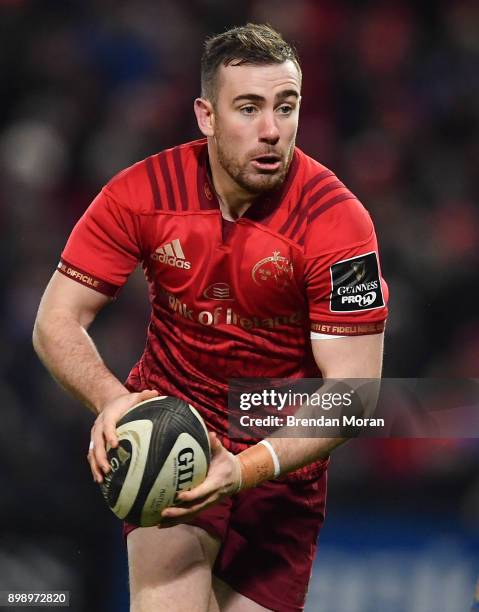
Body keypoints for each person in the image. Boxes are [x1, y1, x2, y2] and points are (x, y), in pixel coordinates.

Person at [33, 23, 388, 612]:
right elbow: (56, 320)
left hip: (281, 466)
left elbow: (355, 392)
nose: (271, 130)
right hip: (173, 438)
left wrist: (246, 468)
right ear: (206, 115)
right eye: (248, 108)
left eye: (286, 107)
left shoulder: (341, 226)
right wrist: (111, 399)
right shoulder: (140, 193)